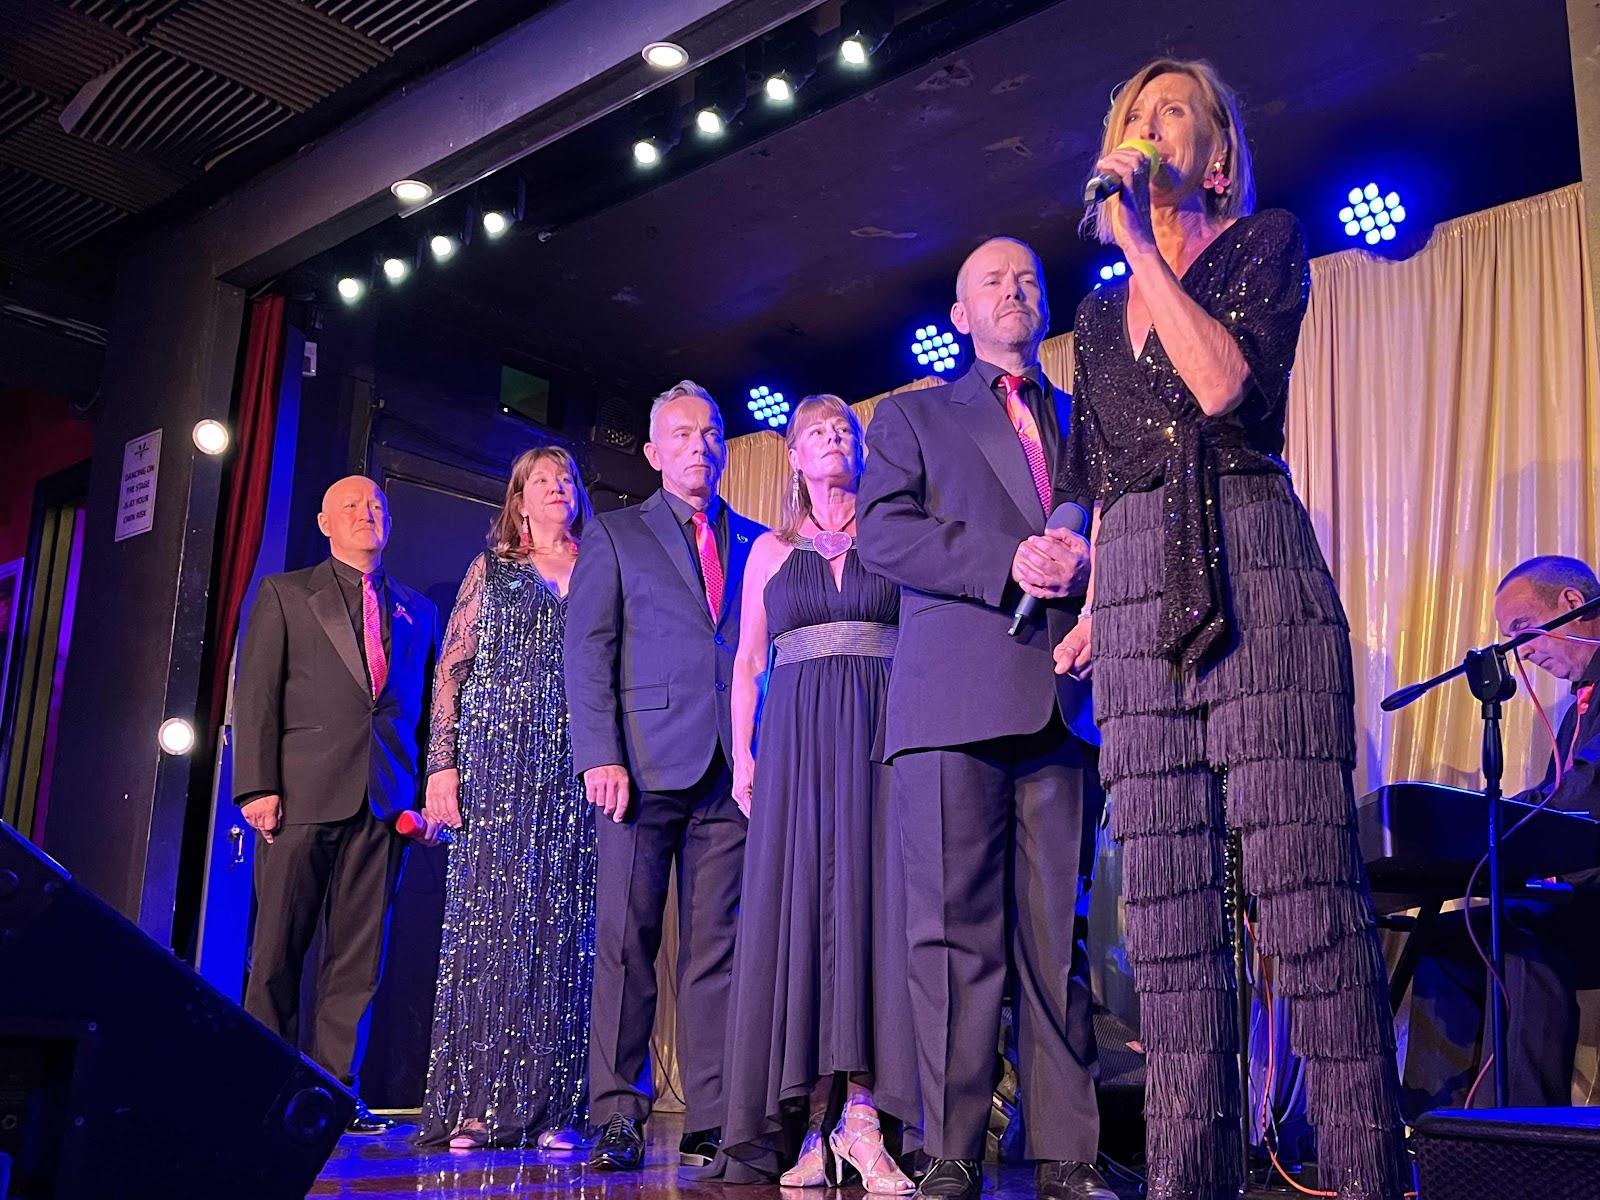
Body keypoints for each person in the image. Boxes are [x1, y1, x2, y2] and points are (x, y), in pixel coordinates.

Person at [1052, 59, 1407, 1200]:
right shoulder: (1092, 317)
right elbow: (1096, 480)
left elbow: (1219, 392)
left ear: (1214, 155)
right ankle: (1185, 1182)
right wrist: (1085, 602)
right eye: (1132, 115)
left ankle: (1367, 1175)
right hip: (1134, 603)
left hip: (1256, 577)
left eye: (1172, 114)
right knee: (1166, 930)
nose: (1147, 128)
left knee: (1306, 906)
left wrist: (1142, 251)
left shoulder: (1265, 242)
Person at [858, 238, 1112, 1200]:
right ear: (961, 316)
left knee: (1057, 941)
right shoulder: (913, 414)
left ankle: (1067, 1151)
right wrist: (1009, 559)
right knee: (951, 936)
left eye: (1028, 279)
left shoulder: (1085, 419)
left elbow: (1119, 531)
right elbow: (883, 532)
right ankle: (953, 1146)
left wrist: (1087, 572)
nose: (1016, 290)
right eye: (993, 282)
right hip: (951, 706)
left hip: (1062, 700)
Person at [717, 395, 918, 1192]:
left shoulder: (893, 536)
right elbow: (747, 662)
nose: (833, 438)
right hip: (796, 748)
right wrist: (743, 755)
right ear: (793, 457)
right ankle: (811, 1121)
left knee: (875, 911)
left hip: (882, 737)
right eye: (816, 432)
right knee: (803, 914)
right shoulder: (769, 552)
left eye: (845, 430)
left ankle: (864, 1118)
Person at [564, 381, 765, 1175]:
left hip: (731, 769)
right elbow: (588, 651)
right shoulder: (615, 534)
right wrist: (599, 753)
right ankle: (618, 1111)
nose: (699, 446)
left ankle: (713, 1115)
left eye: (710, 433)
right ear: (652, 452)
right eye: (681, 434)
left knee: (719, 947)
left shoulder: (758, 541)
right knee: (626, 942)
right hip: (639, 768)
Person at [234, 474, 441, 1134]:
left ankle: (333, 1092)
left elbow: (428, 712)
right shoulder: (286, 593)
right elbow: (257, 694)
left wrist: (426, 795)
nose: (365, 513)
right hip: (300, 796)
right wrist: (256, 786)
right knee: (277, 951)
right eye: (350, 505)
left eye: (376, 505)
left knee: (358, 960)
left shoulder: (418, 610)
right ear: (325, 523)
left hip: (385, 803)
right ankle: (264, 1085)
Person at [416, 446, 598, 1150]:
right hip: (495, 765)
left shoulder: (600, 566)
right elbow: (451, 671)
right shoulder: (490, 570)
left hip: (574, 767)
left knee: (563, 933)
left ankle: (557, 1109)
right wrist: (442, 767)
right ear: (518, 501)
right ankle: (475, 1104)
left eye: (565, 478)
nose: (556, 487)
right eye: (540, 481)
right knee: (491, 927)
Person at [1403, 555, 1600, 1113]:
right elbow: (1557, 795)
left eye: (1522, 629)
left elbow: (1582, 797)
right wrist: (1470, 816)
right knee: (1446, 940)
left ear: (1571, 604)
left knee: (1519, 926)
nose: (1521, 652)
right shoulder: (1578, 709)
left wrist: (1486, 817)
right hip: (1585, 897)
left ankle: (1520, 1137)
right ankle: (1441, 1128)